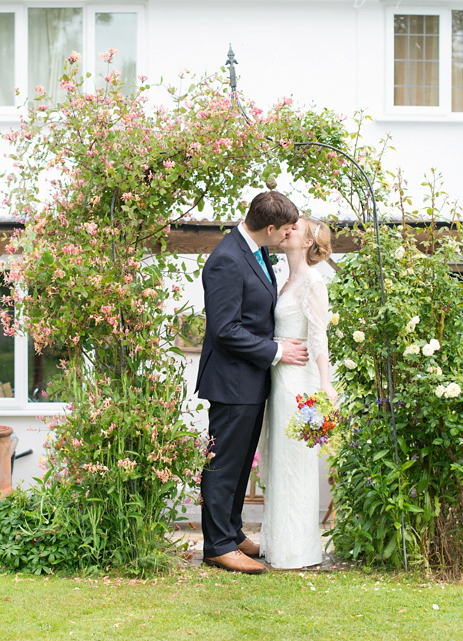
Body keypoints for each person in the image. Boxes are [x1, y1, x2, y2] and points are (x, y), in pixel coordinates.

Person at [196, 191, 309, 575]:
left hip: (250, 380)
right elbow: (225, 330)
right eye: (288, 229)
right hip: (230, 381)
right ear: (270, 227)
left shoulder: (257, 250)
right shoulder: (226, 260)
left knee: (241, 463)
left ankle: (231, 530)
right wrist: (276, 350)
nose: (291, 234)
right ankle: (217, 545)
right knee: (224, 465)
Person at [261, 216, 335, 569]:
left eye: (296, 228)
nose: (287, 229)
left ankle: (297, 551)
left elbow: (319, 336)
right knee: (279, 460)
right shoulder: (285, 279)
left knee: (295, 461)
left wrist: (324, 384)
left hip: (298, 381)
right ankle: (278, 545)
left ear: (307, 242)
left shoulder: (313, 282)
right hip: (279, 376)